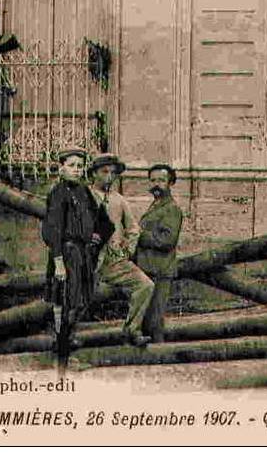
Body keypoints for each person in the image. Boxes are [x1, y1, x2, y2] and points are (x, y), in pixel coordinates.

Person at [41, 147, 114, 359]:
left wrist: (97, 238)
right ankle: (60, 342)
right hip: (65, 253)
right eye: (71, 166)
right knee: (63, 302)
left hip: (83, 255)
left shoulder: (84, 192)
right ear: (61, 168)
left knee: (80, 301)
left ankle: (67, 337)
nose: (76, 170)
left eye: (80, 166)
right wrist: (58, 262)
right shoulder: (57, 193)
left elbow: (104, 222)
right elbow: (52, 230)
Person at [88, 154, 154, 347]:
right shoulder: (83, 196)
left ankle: (132, 330)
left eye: (112, 173)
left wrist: (128, 248)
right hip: (87, 261)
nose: (109, 177)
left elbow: (134, 229)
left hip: (114, 262)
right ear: (94, 174)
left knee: (146, 285)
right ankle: (66, 336)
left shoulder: (119, 200)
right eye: (104, 172)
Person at [135, 164, 182, 343]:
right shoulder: (156, 206)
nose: (156, 184)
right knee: (147, 319)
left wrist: (139, 235)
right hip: (147, 268)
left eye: (161, 180)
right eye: (153, 180)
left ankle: (159, 356)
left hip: (160, 271)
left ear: (170, 183)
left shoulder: (172, 209)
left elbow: (167, 241)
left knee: (155, 320)